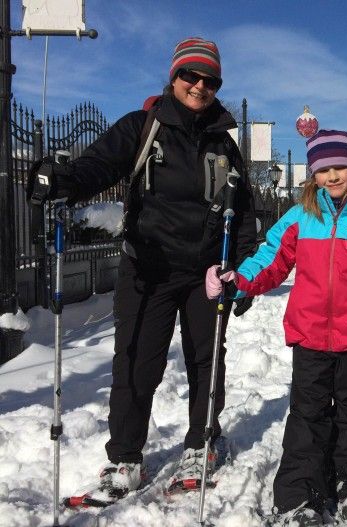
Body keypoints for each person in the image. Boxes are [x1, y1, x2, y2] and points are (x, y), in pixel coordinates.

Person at [26, 37, 257, 503]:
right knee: (134, 361)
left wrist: (245, 271)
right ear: (173, 77)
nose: (199, 86)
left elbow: (244, 211)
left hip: (205, 274)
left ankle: (201, 445)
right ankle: (126, 457)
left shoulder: (223, 144)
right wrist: (62, 180)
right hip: (145, 270)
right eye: (190, 76)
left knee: (205, 361)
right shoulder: (142, 127)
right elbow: (98, 167)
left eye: (209, 80)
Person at [206, 129, 347, 525]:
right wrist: (240, 281)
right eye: (323, 169)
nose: (332, 176)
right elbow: (272, 257)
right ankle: (299, 493)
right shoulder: (302, 216)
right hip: (311, 337)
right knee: (308, 415)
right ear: (313, 175)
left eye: (340, 167)